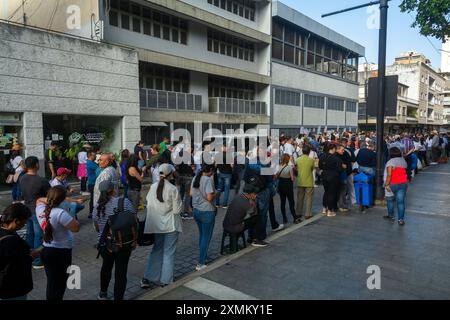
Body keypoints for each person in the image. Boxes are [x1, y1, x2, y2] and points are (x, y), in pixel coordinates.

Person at [141, 164, 182, 288]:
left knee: (157, 250)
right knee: (168, 252)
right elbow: (176, 210)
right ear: (170, 174)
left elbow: (149, 204)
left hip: (156, 225)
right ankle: (166, 279)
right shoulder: (173, 189)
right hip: (170, 225)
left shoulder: (153, 187)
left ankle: (148, 277)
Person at [93, 180, 136, 300]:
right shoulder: (124, 202)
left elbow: (97, 227)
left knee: (106, 267)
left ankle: (103, 293)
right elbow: (133, 219)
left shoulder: (97, 207)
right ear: (113, 190)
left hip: (105, 244)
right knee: (121, 272)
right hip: (123, 242)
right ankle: (118, 297)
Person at [36, 186, 80, 300]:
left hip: (47, 250)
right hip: (61, 252)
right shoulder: (60, 213)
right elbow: (76, 228)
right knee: (60, 283)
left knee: (51, 282)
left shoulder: (40, 208)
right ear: (62, 199)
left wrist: (52, 200)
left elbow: (38, 200)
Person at [20, 156, 51, 269]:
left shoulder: (22, 178)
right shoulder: (41, 180)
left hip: (27, 209)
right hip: (38, 210)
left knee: (30, 234)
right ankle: (37, 260)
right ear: (36, 165)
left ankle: (28, 256)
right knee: (38, 235)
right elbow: (51, 195)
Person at [0, 203, 35, 300]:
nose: (23, 226)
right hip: (11, 289)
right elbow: (19, 264)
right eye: (23, 223)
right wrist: (31, 256)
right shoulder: (12, 241)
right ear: (16, 221)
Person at [190, 164, 216, 271]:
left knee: (202, 235)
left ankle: (203, 255)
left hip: (196, 210)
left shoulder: (196, 177)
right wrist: (216, 193)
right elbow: (210, 198)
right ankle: (201, 262)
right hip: (206, 211)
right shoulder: (207, 180)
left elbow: (191, 193)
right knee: (206, 236)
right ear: (210, 170)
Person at [222, 183, 260, 253]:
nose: (256, 195)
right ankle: (254, 239)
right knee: (256, 218)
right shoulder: (246, 203)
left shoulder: (238, 196)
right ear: (249, 194)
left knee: (249, 218)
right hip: (234, 227)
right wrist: (254, 202)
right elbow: (254, 212)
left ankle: (242, 238)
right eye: (254, 194)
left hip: (226, 224)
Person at [383, 147, 408, 226]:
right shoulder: (403, 160)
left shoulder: (390, 162)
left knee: (390, 200)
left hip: (392, 184)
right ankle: (400, 219)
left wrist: (386, 184)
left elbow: (389, 175)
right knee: (400, 202)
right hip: (403, 183)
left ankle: (391, 216)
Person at [319, 143, 343, 217]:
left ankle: (324, 208)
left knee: (326, 192)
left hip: (324, 175)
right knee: (331, 193)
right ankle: (330, 210)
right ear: (332, 149)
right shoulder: (336, 158)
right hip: (333, 176)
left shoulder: (322, 156)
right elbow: (339, 169)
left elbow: (320, 166)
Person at [277, 154, 298, 223]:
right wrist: (294, 177)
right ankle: (294, 217)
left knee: (282, 202)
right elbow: (292, 178)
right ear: (287, 160)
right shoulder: (289, 167)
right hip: (288, 186)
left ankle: (284, 218)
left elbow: (276, 176)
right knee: (291, 202)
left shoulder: (278, 167)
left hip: (281, 185)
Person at [176, 146, 195, 220]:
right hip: (188, 177)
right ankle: (185, 212)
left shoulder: (179, 154)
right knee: (188, 195)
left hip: (181, 176)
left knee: (181, 194)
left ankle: (179, 211)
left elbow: (176, 166)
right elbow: (193, 167)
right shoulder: (189, 156)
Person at [295, 145, 315, 220]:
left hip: (300, 181)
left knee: (300, 198)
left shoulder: (298, 159)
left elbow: (296, 168)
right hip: (309, 181)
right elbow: (312, 169)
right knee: (309, 198)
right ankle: (308, 213)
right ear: (309, 152)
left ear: (302, 151)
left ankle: (298, 212)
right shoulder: (311, 160)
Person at [214, 145, 233, 209]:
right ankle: (224, 205)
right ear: (225, 148)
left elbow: (215, 164)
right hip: (228, 174)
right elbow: (231, 165)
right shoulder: (229, 155)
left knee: (219, 188)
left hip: (220, 173)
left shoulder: (217, 155)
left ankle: (217, 203)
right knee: (226, 189)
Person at [336, 144, 351, 212]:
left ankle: (342, 204)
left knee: (344, 191)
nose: (343, 151)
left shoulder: (345, 154)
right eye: (342, 150)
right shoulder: (336, 156)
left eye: (344, 150)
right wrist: (342, 165)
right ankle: (341, 205)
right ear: (337, 149)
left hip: (344, 175)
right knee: (342, 191)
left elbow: (348, 162)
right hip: (339, 176)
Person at [86, 151, 99, 219]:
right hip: (93, 183)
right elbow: (99, 169)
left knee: (94, 198)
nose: (96, 156)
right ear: (90, 156)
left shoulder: (92, 162)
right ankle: (91, 213)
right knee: (93, 198)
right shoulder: (90, 163)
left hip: (93, 183)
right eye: (94, 155)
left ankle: (92, 212)